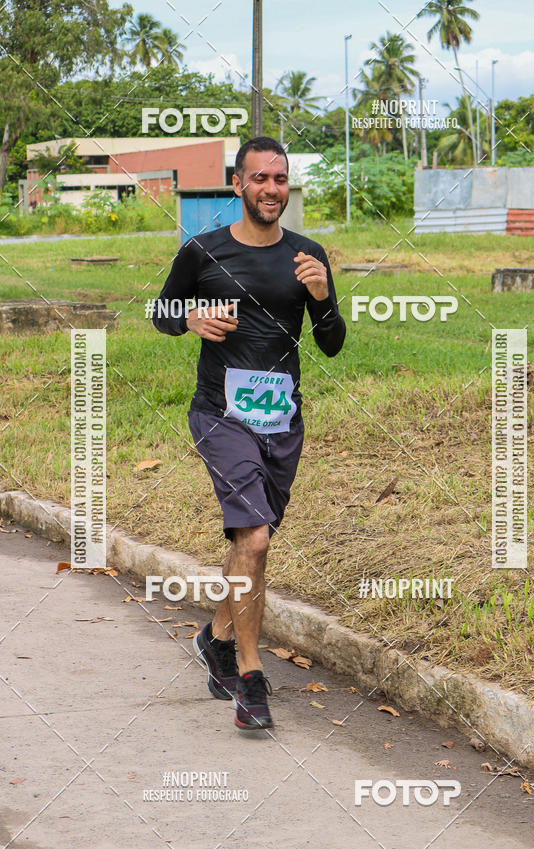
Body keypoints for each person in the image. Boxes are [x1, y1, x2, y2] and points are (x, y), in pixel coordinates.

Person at [153, 136, 345, 730]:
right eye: (260, 178)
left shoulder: (308, 255)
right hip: (221, 414)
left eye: (280, 179)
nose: (271, 189)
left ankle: (215, 638)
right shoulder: (203, 250)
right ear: (238, 184)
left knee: (251, 543)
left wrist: (322, 297)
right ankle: (250, 676)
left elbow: (332, 343)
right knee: (255, 540)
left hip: (281, 419)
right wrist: (189, 318)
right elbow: (161, 312)